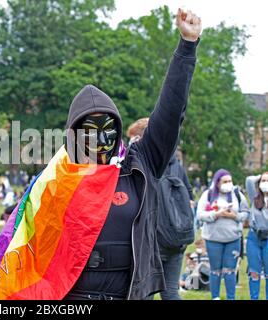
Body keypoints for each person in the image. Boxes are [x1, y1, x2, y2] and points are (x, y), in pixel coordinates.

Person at [61, 8, 201, 300]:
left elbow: (170, 113)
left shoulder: (139, 165)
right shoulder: (56, 180)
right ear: (74, 133)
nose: (101, 136)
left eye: (107, 126)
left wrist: (186, 48)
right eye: (90, 127)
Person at [127, 117, 195, 300]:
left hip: (151, 241)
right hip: (176, 238)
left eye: (133, 139)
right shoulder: (176, 165)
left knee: (144, 292)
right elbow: (190, 198)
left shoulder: (143, 164)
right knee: (171, 292)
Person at [196, 169, 249, 300]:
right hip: (213, 239)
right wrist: (217, 214)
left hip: (233, 238)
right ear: (217, 182)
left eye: (230, 181)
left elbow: (245, 212)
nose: (228, 183)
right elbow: (200, 215)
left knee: (230, 271)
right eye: (225, 181)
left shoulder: (237, 194)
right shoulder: (208, 195)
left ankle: (231, 297)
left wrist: (234, 216)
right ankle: (215, 297)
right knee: (215, 271)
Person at [245, 172, 268, 300]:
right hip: (254, 237)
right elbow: (249, 179)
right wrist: (261, 177)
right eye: (263, 181)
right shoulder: (255, 196)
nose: (265, 184)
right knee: (254, 272)